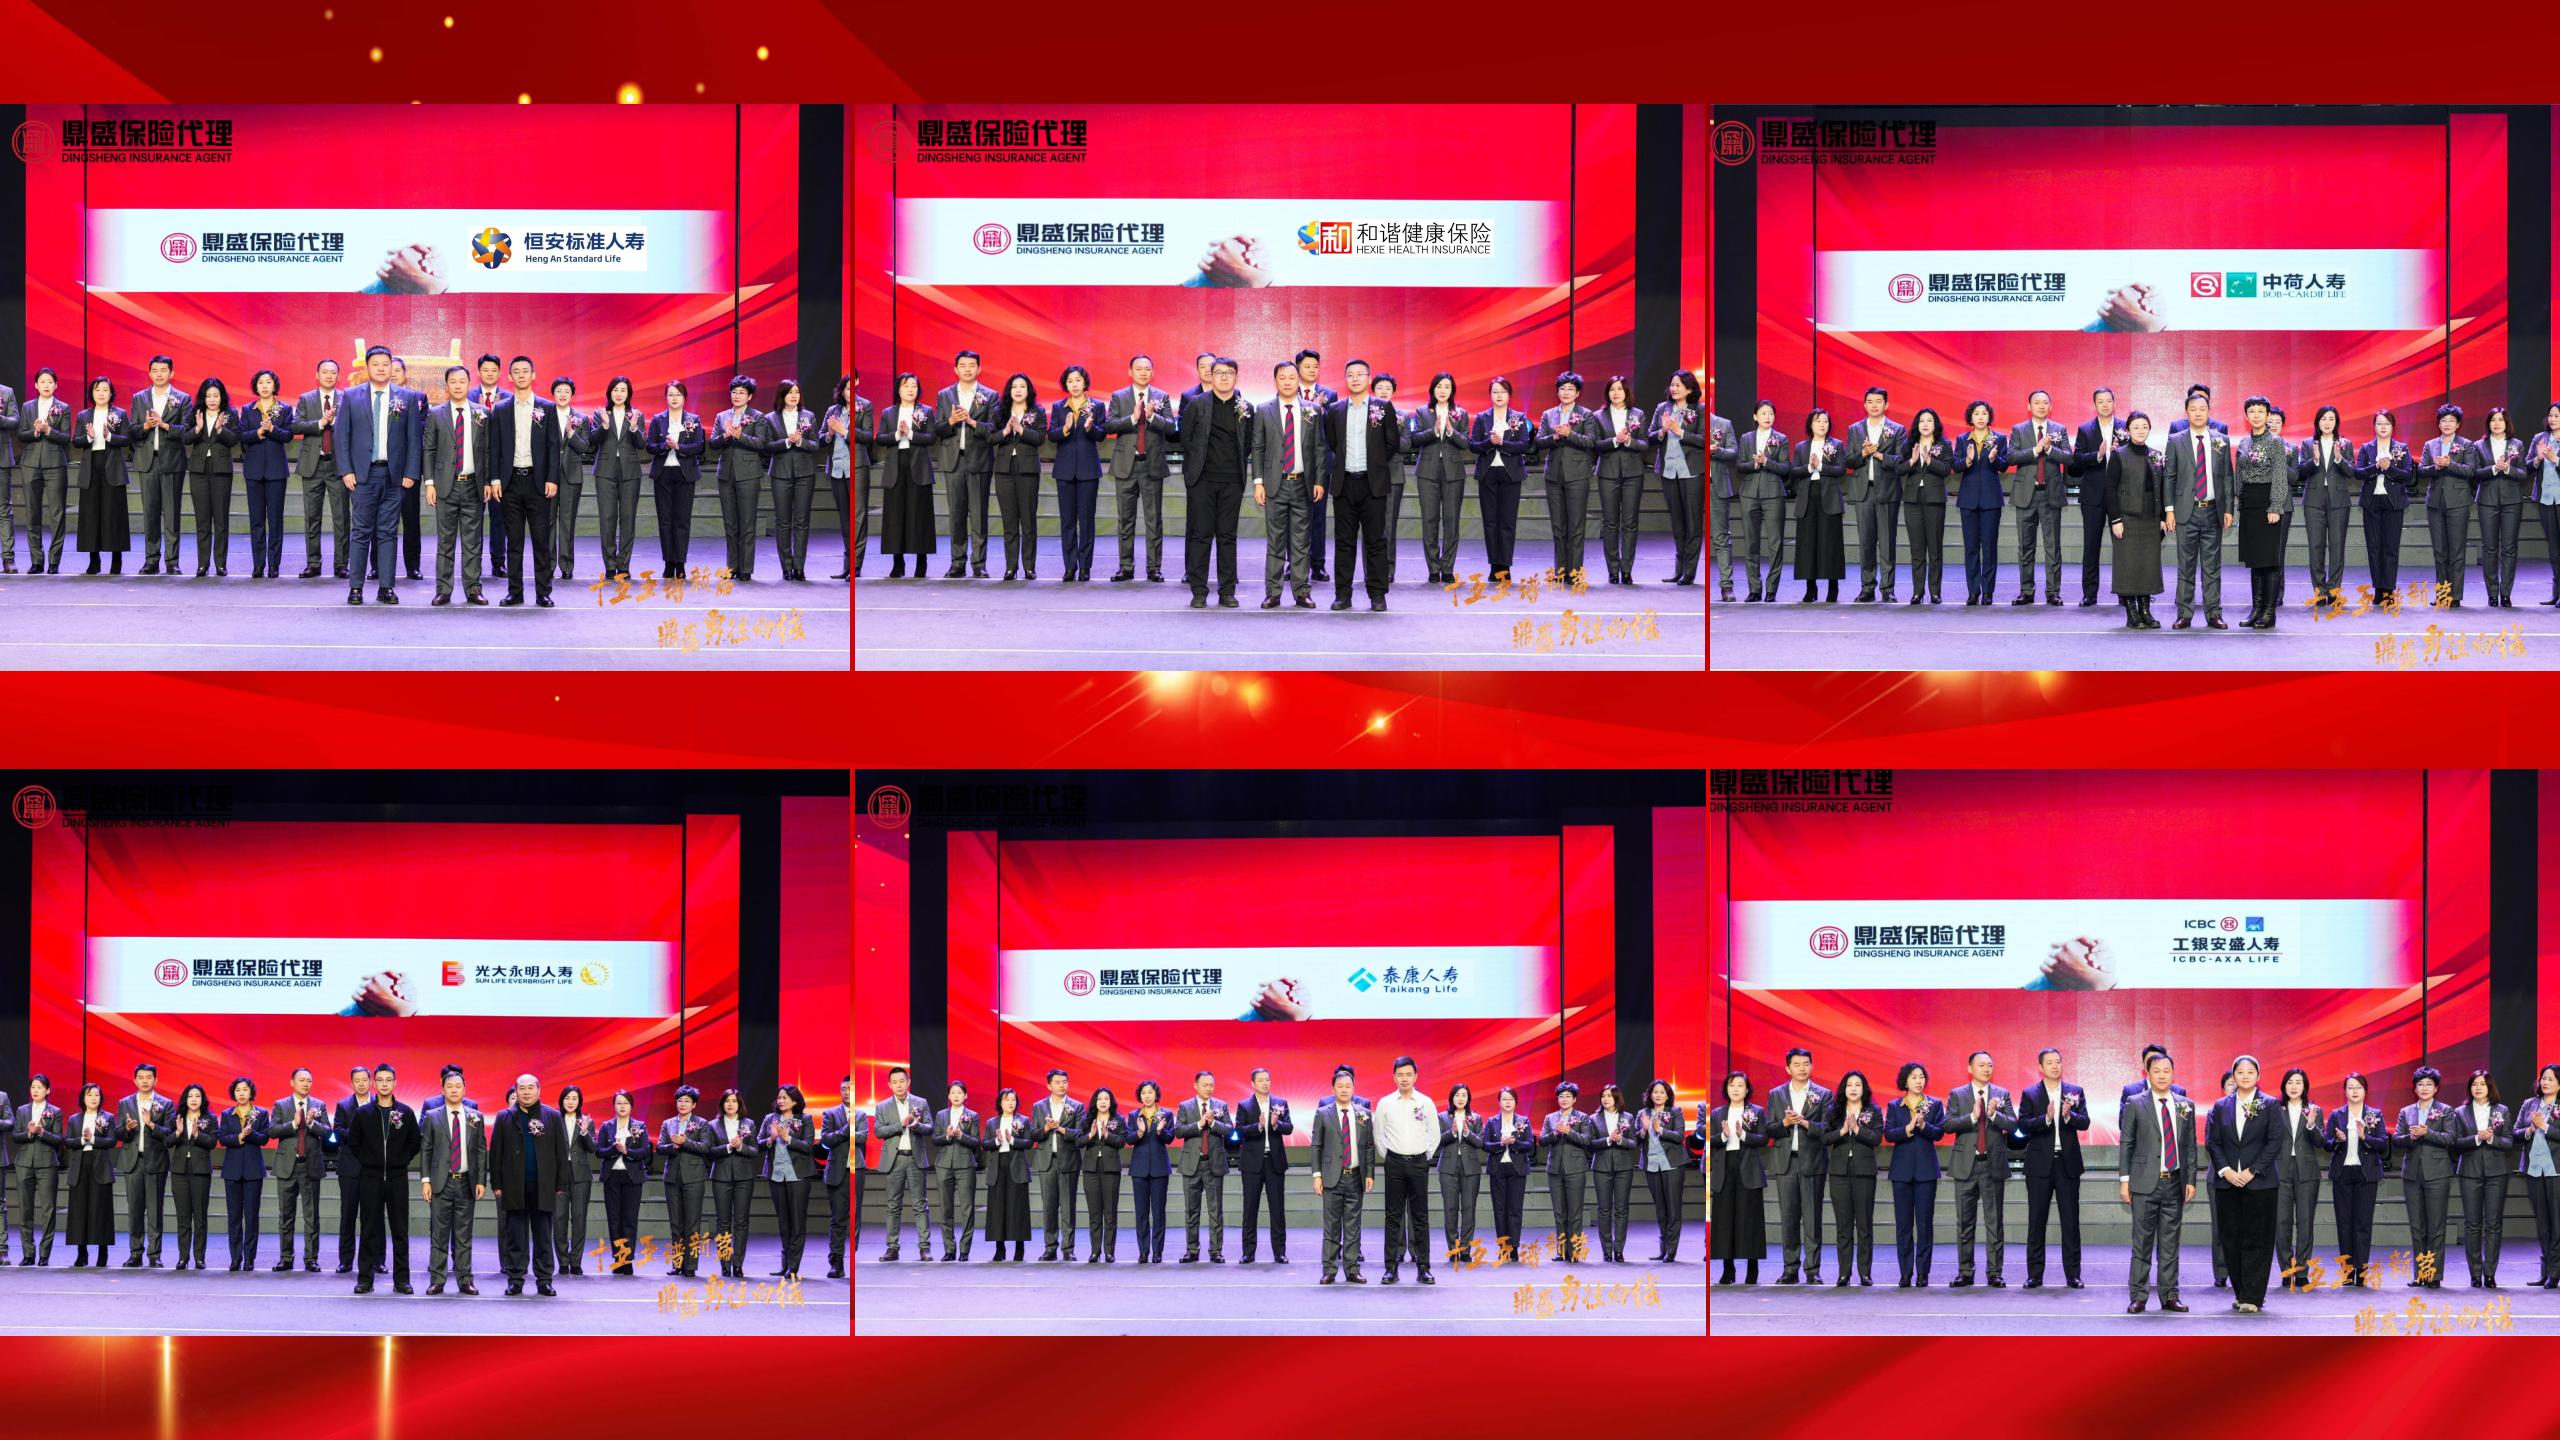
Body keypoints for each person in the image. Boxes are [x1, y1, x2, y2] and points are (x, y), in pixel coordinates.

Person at [334, 345, 423, 606]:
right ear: (367, 368)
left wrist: (411, 472)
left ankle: (386, 587)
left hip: (394, 477)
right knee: (361, 532)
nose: (382, 369)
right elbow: (342, 436)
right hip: (362, 476)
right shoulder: (351, 395)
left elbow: (414, 438)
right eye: (376, 364)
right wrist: (346, 470)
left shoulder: (406, 397)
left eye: (386, 364)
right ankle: (356, 588)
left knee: (388, 532)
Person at [2119, 1050, 2197, 1313]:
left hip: (2175, 1182)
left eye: (2166, 1071)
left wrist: (2191, 1179)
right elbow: (2127, 1142)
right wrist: (2124, 1180)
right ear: (2148, 1074)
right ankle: (2139, 1296)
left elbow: (2189, 1146)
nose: (2162, 1075)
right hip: (2143, 1184)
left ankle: (2169, 1295)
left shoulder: (2185, 1104)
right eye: (2156, 1071)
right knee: (2141, 1243)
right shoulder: (2135, 1102)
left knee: (2170, 1244)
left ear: (2173, 1074)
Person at [2205, 1054, 2280, 1313]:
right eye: (2240, 1072)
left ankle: (2253, 1296)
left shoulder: (2270, 1104)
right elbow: (2212, 1141)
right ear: (2233, 1076)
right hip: (2228, 1184)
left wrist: (2253, 1170)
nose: (2245, 1076)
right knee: (2231, 1239)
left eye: (2250, 1072)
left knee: (2257, 1240)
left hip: (2260, 1184)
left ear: (2258, 1076)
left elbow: (2274, 1142)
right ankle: (2240, 1292)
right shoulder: (2220, 1106)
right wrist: (2225, 1170)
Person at [1176, 358, 1251, 608]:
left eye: (1229, 373)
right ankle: (1198, 591)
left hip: (1232, 481)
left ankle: (1227, 591)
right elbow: (1185, 438)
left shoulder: (1245, 407)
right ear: (1211, 375)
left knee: (1228, 537)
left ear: (1236, 376)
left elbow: (1248, 443)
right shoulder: (1197, 404)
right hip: (1202, 481)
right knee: (1201, 535)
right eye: (1219, 373)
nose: (1224, 377)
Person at [2012, 1047, 2088, 1288]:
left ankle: (2073, 1274)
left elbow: (2085, 1122)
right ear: (2041, 1067)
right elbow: (2023, 1125)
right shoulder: (2030, 1094)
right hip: (2039, 1166)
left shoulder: (2075, 1091)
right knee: (2036, 1221)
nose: (2055, 1066)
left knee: (2070, 1222)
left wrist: (2068, 1116)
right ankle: (2034, 1275)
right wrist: (2045, 1119)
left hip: (2067, 1164)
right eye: (2050, 1062)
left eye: (2058, 1062)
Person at [487, 355, 560, 606]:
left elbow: (553, 446)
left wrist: (552, 478)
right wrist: (495, 478)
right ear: (509, 377)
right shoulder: (501, 409)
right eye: (516, 371)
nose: (521, 375)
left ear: (533, 375)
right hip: (510, 483)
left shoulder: (546, 407)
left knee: (541, 541)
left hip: (537, 483)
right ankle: (515, 592)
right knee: (514, 541)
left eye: (525, 371)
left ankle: (543, 592)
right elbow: (494, 447)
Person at [1327, 360, 1400, 610]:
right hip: (1344, 483)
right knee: (1344, 542)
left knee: (1376, 541)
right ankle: (1343, 595)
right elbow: (1332, 442)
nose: (1355, 378)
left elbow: (1391, 443)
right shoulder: (1335, 409)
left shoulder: (1383, 407)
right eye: (1350, 375)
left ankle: (1377, 594)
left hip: (1373, 485)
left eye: (1360, 374)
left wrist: (1376, 464)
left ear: (1369, 378)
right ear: (1345, 379)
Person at [1253, 362, 1325, 609]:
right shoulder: (1264, 410)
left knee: (1301, 542)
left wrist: (1319, 481)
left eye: (1291, 377)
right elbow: (1258, 448)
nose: (1287, 382)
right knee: (1275, 541)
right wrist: (1258, 482)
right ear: (1275, 381)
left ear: (1298, 380)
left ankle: (1302, 591)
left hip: (1303, 484)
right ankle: (1273, 592)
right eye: (1282, 377)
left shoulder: (1313, 410)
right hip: (1275, 485)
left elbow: (1319, 448)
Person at [488, 1073, 565, 1296]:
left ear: (539, 1090)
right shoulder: (504, 1117)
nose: (527, 1092)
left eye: (531, 1087)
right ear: (516, 1091)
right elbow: (496, 1153)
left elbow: (561, 1152)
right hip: (514, 1186)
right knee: (515, 1236)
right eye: (522, 1088)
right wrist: (497, 1183)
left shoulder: (552, 1116)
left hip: (543, 1185)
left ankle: (544, 1280)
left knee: (543, 1236)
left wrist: (560, 1182)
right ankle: (515, 1279)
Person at [1101, 355, 1175, 584]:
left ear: (1153, 372)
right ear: (1130, 372)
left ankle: (1154, 568)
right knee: (1125, 519)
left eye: (1147, 369)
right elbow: (1109, 425)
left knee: (1154, 520)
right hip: (1126, 466)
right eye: (1139, 369)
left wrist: (1152, 417)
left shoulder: (1162, 396)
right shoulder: (1119, 396)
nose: (1143, 372)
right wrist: (1132, 418)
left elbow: (1171, 427)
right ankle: (1126, 567)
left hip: (1151, 465)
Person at [421, 365, 490, 606]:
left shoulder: (482, 413)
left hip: (473, 486)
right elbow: (428, 450)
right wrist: (429, 483)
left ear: (469, 384)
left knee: (473, 542)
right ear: (447, 385)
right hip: (444, 486)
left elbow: (488, 450)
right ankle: (444, 589)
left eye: (462, 381)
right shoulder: (435, 413)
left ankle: (473, 589)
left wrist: (489, 481)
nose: (458, 385)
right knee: (445, 541)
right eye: (453, 381)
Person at [1941, 1050, 2011, 1288]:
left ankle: (1995, 1272)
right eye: (1981, 1065)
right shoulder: (1957, 1094)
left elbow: (2013, 1124)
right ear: (1970, 1068)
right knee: (1965, 1222)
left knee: (1995, 1222)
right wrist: (1972, 1117)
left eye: (1990, 1065)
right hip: (1965, 1167)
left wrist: (1994, 1115)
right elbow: (1947, 1124)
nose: (1987, 1069)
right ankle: (1965, 1271)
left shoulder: (2002, 1094)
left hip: (1993, 1166)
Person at [2164, 390, 2234, 628]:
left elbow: (2227, 477)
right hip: (2186, 512)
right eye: (2193, 409)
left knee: (2212, 566)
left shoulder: (2220, 439)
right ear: (2186, 412)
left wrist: (2229, 509)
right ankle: (2184, 613)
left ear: (2209, 411)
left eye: (2202, 409)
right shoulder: (2176, 440)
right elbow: (2169, 476)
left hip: (2213, 510)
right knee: (2185, 565)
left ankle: (2214, 613)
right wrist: (2169, 510)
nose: (2197, 413)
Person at [350, 1063, 420, 1294]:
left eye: (388, 1080)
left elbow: (415, 1143)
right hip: (370, 1178)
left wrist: (400, 1159)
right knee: (368, 1229)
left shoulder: (406, 1112)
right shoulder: (363, 1113)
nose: (384, 1084)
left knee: (400, 1231)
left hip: (398, 1178)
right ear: (374, 1083)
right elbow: (354, 1143)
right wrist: (370, 1160)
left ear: (395, 1083)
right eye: (379, 1080)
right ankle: (365, 1279)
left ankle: (402, 1280)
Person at [1763, 1047, 1829, 1284]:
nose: (1802, 1068)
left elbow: (1827, 1129)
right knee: (1789, 1218)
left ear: (1812, 1066)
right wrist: (1784, 1122)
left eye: (1806, 1064)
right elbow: (1769, 1129)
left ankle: (1813, 1270)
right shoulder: (1776, 1094)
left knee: (1812, 1218)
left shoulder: (1824, 1094)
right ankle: (1790, 1269)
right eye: (1797, 1064)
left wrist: (1805, 1123)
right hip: (1786, 1162)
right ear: (1788, 1068)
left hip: (1813, 1162)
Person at [419, 1069, 485, 1296]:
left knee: (464, 1235)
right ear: (443, 1089)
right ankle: (437, 1280)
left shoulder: (475, 1115)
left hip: (467, 1182)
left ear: (465, 1089)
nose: (454, 1090)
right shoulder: (432, 1115)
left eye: (458, 1086)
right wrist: (425, 1180)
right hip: (441, 1182)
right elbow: (426, 1150)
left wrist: (481, 1181)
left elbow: (480, 1150)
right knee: (439, 1234)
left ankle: (465, 1280)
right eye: (450, 1086)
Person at [1372, 1058, 1436, 1283]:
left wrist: (1424, 1156)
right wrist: (1390, 1156)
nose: (1405, 1079)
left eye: (1409, 1074)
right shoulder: (1385, 1103)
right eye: (1400, 1075)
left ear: (1416, 1076)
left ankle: (1423, 1267)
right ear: (1394, 1077)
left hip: (1419, 1163)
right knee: (1393, 1217)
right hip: (1395, 1164)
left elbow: (1434, 1134)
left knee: (1420, 1217)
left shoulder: (1426, 1102)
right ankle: (1391, 1268)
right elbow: (1378, 1134)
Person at [2102, 410, 2167, 628]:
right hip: (2126, 518)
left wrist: (2162, 517)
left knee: (2148, 565)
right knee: (2128, 565)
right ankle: (2132, 613)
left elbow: (2162, 488)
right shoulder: (2119, 455)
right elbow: (2109, 489)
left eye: (2144, 427)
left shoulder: (2156, 455)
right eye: (2136, 427)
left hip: (2151, 518)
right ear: (2128, 430)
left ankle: (2145, 611)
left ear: (2150, 430)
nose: (2140, 431)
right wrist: (2115, 520)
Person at [872, 373, 941, 578]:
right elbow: (880, 438)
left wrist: (910, 433)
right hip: (896, 466)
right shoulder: (889, 412)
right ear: (898, 389)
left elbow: (931, 437)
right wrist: (897, 434)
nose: (910, 389)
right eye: (906, 386)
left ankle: (921, 561)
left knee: (919, 515)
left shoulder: (925, 411)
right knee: (895, 516)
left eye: (914, 386)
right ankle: (898, 562)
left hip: (918, 466)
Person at [933, 351, 996, 577]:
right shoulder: (945, 395)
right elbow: (937, 429)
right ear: (955, 369)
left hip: (979, 460)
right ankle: (957, 563)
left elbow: (993, 429)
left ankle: (979, 564)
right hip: (953, 460)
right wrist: (951, 421)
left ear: (979, 369)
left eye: (972, 365)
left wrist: (971, 421)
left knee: (979, 514)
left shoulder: (990, 395)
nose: (967, 369)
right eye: (963, 365)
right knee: (956, 514)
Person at [2450, 1068, 2514, 1288]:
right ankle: (2475, 1273)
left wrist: (2493, 1139)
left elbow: (2509, 1142)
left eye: (2482, 1084)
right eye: (2474, 1084)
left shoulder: (2501, 1110)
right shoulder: (2460, 1112)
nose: (2478, 1088)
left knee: (2494, 1224)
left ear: (2490, 1087)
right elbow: (2455, 1143)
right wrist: (2477, 1138)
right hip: (2470, 1172)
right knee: (2472, 1224)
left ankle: (2490, 1273)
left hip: (2497, 1173)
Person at [979, 372, 1045, 582]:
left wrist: (1021, 430)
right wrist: (1006, 431)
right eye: (1014, 386)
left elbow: (1040, 438)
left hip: (1028, 470)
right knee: (1009, 522)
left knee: (1028, 521)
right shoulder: (999, 412)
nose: (1018, 390)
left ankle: (1029, 567)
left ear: (1028, 391)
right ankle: (1010, 567)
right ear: (1009, 390)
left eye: (1022, 386)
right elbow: (990, 438)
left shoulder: (1037, 411)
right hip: (1004, 471)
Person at [2006, 389, 2070, 605]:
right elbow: (2011, 457)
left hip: (2050, 495)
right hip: (2026, 495)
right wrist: (2035, 450)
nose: (2041, 406)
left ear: (2050, 406)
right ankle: (2026, 591)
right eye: (2037, 402)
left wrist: (2050, 450)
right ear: (2029, 406)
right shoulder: (2019, 429)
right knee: (2026, 546)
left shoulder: (2059, 429)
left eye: (2045, 403)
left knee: (2053, 547)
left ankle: (2053, 592)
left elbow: (2069, 458)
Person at [1310, 1068, 1374, 1285]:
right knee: (1331, 1226)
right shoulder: (1323, 1113)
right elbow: (1316, 1146)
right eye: (1340, 1086)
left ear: (1353, 1088)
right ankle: (1329, 1269)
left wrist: (1370, 1173)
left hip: (1356, 1176)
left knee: (1353, 1226)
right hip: (1331, 1177)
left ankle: (1352, 1269)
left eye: (1348, 1086)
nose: (1344, 1090)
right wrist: (1317, 1176)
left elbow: (1369, 1146)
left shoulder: (1363, 1113)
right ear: (1333, 1089)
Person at [2232, 396, 2292, 629]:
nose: (2256, 415)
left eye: (2260, 411)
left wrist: (2275, 506)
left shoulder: (2276, 442)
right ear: (2246, 416)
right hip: (2249, 503)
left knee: (2269, 561)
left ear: (2268, 416)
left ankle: (2269, 612)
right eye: (2252, 411)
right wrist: (2238, 498)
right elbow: (2239, 473)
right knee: (2255, 560)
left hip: (2267, 502)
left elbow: (2280, 476)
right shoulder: (2244, 442)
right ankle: (2256, 610)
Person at [2323, 1071, 2386, 1287]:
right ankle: (2347, 1272)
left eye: (2358, 1087)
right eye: (2350, 1087)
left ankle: (2362, 1270)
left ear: (2365, 1090)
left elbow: (2383, 1143)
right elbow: (2327, 1144)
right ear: (2345, 1091)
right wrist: (2337, 1140)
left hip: (2366, 1173)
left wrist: (2364, 1137)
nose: (2355, 1091)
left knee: (2363, 1223)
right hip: (2342, 1173)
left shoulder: (2375, 1114)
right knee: (2344, 1223)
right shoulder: (2336, 1114)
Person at [1411, 372, 1473, 586]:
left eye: (1447, 386)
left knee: (1451, 520)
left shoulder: (1460, 413)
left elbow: (1465, 443)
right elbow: (1415, 439)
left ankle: (1447, 568)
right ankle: (1433, 568)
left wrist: (1450, 431)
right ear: (1432, 389)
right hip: (1427, 471)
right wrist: (1434, 430)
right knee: (1429, 521)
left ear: (1452, 390)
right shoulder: (1422, 411)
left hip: (1453, 472)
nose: (1443, 390)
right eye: (1439, 386)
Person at [288, 358, 348, 578]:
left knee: (341, 517)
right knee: (312, 517)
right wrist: (321, 423)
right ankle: (313, 563)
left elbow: (354, 426)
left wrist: (335, 422)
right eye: (325, 372)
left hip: (338, 465)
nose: (329, 375)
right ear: (317, 375)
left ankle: (341, 564)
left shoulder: (346, 398)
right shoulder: (306, 398)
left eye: (333, 372)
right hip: (312, 465)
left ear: (338, 376)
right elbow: (296, 426)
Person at [2297, 405, 2360, 610]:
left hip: (2338, 500)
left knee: (2337, 547)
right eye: (2323, 418)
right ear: (2317, 422)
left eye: (2331, 419)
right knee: (2316, 547)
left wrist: (2339, 458)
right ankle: (2319, 591)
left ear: (2336, 422)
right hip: (2314, 500)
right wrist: (2314, 460)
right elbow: (2301, 472)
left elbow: (2351, 472)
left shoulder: (2345, 443)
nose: (2327, 422)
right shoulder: (2308, 443)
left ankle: (2333, 591)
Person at [1534, 370, 1595, 582]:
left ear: (1577, 393)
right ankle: (1560, 572)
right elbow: (1538, 442)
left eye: (1570, 389)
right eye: (1562, 388)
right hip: (1553, 475)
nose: (1566, 392)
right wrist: (1555, 436)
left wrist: (1570, 434)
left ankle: (1575, 573)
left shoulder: (1586, 414)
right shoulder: (1548, 414)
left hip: (1578, 475)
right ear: (1557, 392)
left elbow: (1590, 442)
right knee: (1558, 526)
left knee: (1576, 526)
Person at [130, 354, 189, 575]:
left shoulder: (182, 398)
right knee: (150, 513)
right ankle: (151, 560)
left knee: (172, 513)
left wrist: (164, 425)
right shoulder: (139, 398)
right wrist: (146, 425)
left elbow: (186, 431)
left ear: (172, 373)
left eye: (163, 370)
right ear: (149, 373)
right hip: (148, 461)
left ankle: (172, 561)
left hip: (172, 461)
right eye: (155, 370)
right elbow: (132, 431)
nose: (159, 374)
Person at [2066, 387, 2125, 606]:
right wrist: (2098, 455)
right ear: (2095, 405)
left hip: (2120, 494)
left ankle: (2125, 592)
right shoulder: (2085, 429)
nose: (2105, 404)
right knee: (2091, 546)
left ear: (2114, 403)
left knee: (2122, 546)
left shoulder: (2125, 427)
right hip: (2093, 495)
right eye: (2100, 401)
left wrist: (2121, 452)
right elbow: (2077, 460)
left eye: (2108, 400)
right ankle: (2089, 593)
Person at [1819, 1070, 1878, 1285]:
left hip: (1864, 1173)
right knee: (1843, 1226)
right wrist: (1843, 1131)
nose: (1853, 1088)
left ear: (1864, 1089)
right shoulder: (1833, 1111)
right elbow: (1824, 1138)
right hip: (1839, 1173)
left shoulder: (1873, 1110)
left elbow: (1876, 1138)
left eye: (1857, 1084)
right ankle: (1844, 1273)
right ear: (1844, 1089)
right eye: (1849, 1085)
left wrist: (1857, 1129)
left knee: (1864, 1225)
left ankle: (1865, 1273)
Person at [2399, 1064, 2455, 1290]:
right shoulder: (2406, 1111)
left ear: (2436, 1088)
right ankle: (2420, 1274)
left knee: (2436, 1227)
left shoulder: (2446, 1110)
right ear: (2415, 1088)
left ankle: (2434, 1275)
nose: (2424, 1088)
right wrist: (2411, 1137)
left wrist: (2427, 1133)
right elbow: (2398, 1140)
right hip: (2412, 1174)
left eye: (2428, 1084)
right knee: (2417, 1227)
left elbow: (2450, 1138)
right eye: (2420, 1084)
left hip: (2438, 1174)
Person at [1470, 377, 1531, 582]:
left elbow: (1524, 444)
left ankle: (1504, 567)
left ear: (1509, 395)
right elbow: (1473, 445)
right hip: (1487, 473)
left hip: (1510, 474)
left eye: (1503, 391)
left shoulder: (1518, 417)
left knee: (1507, 521)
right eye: (1495, 391)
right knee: (1490, 521)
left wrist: (1502, 443)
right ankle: (1494, 565)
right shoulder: (1482, 417)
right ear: (1490, 394)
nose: (1499, 395)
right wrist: (1490, 442)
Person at [177, 375, 238, 576]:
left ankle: (221, 564)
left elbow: (234, 440)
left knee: (221, 520)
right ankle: (202, 564)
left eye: (216, 395)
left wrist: (220, 430)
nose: (212, 399)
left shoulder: (230, 413)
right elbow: (185, 438)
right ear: (203, 397)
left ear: (222, 397)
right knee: (202, 521)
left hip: (221, 470)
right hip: (199, 471)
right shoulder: (196, 413)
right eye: (208, 395)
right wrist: (198, 428)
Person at [2269, 1067, 2324, 1291]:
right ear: (2284, 1086)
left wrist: (2311, 1124)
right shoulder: (2274, 1109)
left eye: (2298, 1082)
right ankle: (2286, 1269)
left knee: (2305, 1222)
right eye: (2290, 1082)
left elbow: (2320, 1141)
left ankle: (2301, 1271)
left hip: (2307, 1172)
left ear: (2305, 1086)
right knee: (2281, 1223)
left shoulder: (2314, 1110)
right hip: (2280, 1170)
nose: (2294, 1086)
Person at [1713, 1070, 1770, 1286]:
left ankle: (1752, 1268)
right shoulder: (1717, 1113)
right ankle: (1728, 1268)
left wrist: (1743, 1134)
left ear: (1747, 1090)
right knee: (1725, 1220)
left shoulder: (1756, 1111)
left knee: (1749, 1220)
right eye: (1731, 1085)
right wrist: (1724, 1135)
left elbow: (1763, 1138)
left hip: (1748, 1168)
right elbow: (1710, 1139)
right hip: (1724, 1168)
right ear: (1726, 1089)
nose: (1735, 1089)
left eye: (1740, 1085)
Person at [115, 1063, 174, 1267]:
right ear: (135, 1080)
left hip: (156, 1162)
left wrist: (151, 1124)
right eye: (140, 1077)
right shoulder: (125, 1103)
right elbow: (118, 1133)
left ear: (155, 1080)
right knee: (135, 1210)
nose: (145, 1081)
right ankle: (135, 1253)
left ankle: (154, 1255)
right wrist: (127, 1129)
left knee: (155, 1211)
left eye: (149, 1077)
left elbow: (169, 1135)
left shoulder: (165, 1104)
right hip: (133, 1161)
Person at [1046, 366, 1102, 582]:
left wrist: (1090, 428)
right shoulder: (1059, 407)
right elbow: (1052, 435)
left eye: (1078, 380)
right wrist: (1065, 428)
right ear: (1065, 385)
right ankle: (1070, 567)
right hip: (1065, 470)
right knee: (1067, 521)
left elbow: (1101, 434)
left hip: (1088, 471)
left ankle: (1085, 567)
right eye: (1070, 381)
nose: (1074, 384)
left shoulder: (1097, 406)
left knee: (1086, 521)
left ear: (1085, 382)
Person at [591, 376, 650, 583]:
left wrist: (634, 427)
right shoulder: (600, 414)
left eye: (623, 390)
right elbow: (593, 440)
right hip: (605, 471)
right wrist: (604, 425)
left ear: (628, 393)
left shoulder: (636, 414)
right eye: (615, 389)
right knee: (607, 519)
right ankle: (610, 565)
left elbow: (641, 444)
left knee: (627, 519)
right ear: (609, 392)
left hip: (630, 472)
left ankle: (623, 565)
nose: (619, 393)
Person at [235, 370, 293, 578]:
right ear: (256, 387)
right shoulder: (247, 409)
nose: (265, 386)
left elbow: (288, 435)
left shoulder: (284, 409)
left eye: (268, 382)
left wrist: (272, 429)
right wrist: (258, 433)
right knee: (256, 520)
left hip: (276, 471)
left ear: (274, 386)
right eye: (261, 382)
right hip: (254, 471)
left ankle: (274, 564)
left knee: (275, 520)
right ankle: (258, 564)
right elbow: (242, 435)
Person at [2419, 404, 2478, 607]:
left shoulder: (2466, 444)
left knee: (2457, 551)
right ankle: (2442, 595)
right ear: (2438, 423)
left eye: (2451, 420)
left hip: (2458, 502)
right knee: (2440, 551)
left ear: (2458, 424)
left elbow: (2471, 470)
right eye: (2443, 420)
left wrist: (2449, 464)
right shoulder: (2430, 444)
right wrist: (2435, 467)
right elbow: (2421, 470)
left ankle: (2455, 596)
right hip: (2435, 503)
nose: (2447, 424)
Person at [73, 378, 133, 575]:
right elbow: (76, 441)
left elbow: (127, 439)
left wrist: (109, 437)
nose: (101, 393)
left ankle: (116, 559)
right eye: (97, 390)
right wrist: (89, 437)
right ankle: (94, 560)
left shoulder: (120, 414)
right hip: (91, 466)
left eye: (105, 390)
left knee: (114, 514)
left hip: (112, 466)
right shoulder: (83, 415)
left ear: (111, 393)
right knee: (91, 515)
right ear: (92, 393)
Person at [1655, 370, 1710, 587]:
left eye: (1678, 385)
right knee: (1677, 524)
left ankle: (1689, 572)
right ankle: (1678, 570)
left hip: (1691, 472)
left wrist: (1681, 432)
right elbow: (1649, 436)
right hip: (1669, 471)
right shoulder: (1663, 408)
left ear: (1689, 388)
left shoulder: (1700, 409)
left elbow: (1705, 439)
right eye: (1672, 384)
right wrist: (1662, 431)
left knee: (1692, 523)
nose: (1674, 388)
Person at [1951, 400, 2009, 604]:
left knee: (1990, 548)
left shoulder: (1999, 438)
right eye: (1976, 413)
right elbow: (1956, 466)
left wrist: (1994, 459)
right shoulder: (1962, 439)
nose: (1981, 417)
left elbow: (2004, 466)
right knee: (1971, 548)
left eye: (1984, 413)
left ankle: (1988, 592)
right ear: (1971, 417)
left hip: (1991, 500)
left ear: (1989, 416)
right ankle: (1973, 591)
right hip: (1968, 500)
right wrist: (1967, 460)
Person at [1787, 409, 1846, 603]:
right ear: (1810, 424)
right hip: (1808, 497)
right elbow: (1794, 470)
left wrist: (1820, 466)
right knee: (1807, 544)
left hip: (1829, 497)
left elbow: (1840, 469)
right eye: (1818, 421)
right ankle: (1810, 588)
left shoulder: (1836, 445)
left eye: (1825, 421)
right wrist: (1809, 467)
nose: (1822, 424)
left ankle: (1833, 587)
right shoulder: (1802, 447)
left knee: (1831, 543)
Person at [646, 381, 705, 578]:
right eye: (671, 394)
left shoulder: (693, 419)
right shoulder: (658, 419)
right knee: (665, 520)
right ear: (666, 397)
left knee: (682, 520)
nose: (674, 398)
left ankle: (680, 563)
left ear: (684, 398)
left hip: (685, 473)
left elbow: (699, 446)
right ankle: (668, 562)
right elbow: (650, 446)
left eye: (678, 394)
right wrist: (665, 446)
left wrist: (679, 447)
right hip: (663, 473)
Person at [1173, 1070, 1232, 1263]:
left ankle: (1216, 1250)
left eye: (1211, 1085)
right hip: (1192, 1164)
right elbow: (1178, 1131)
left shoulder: (1221, 1106)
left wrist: (1213, 1123)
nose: (1208, 1088)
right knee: (1191, 1210)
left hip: (1213, 1163)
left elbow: (1229, 1129)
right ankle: (1192, 1250)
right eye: (1205, 1085)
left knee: (1216, 1210)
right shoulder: (1185, 1106)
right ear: (1195, 1085)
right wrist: (1199, 1124)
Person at [15, 369, 70, 574]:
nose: (46, 385)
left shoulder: (63, 407)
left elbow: (66, 438)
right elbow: (21, 434)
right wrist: (35, 431)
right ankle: (36, 560)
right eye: (42, 381)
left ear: (56, 385)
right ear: (36, 385)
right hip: (30, 465)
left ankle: (54, 561)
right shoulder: (27, 406)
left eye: (50, 382)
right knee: (33, 513)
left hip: (55, 465)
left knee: (57, 514)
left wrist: (49, 431)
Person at [215, 1077, 272, 1271]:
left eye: (245, 1089)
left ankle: (249, 1258)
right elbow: (222, 1138)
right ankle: (235, 1257)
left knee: (251, 1216)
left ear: (251, 1092)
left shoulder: (261, 1113)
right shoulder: (227, 1114)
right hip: (232, 1171)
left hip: (253, 1171)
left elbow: (264, 1138)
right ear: (234, 1093)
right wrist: (239, 1137)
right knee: (234, 1217)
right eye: (238, 1090)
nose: (241, 1093)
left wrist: (250, 1134)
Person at [2357, 410, 2415, 600]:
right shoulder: (2366, 448)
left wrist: (2389, 468)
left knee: (2390, 547)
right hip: (2371, 501)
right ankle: (2378, 589)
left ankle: (2388, 590)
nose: (2383, 427)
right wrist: (2376, 467)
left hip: (2394, 502)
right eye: (2379, 423)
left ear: (2392, 427)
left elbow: (2408, 475)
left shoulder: (2402, 447)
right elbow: (2358, 473)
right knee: (2374, 547)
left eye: (2387, 423)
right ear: (2374, 426)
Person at [1236, 1067, 1291, 1264]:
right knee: (1250, 1209)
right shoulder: (1244, 1105)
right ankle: (1248, 1252)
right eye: (1260, 1080)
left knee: (1277, 1209)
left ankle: (1280, 1252)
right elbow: (1238, 1131)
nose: (1265, 1083)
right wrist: (1258, 1126)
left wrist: (1276, 1125)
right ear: (1253, 1083)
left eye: (1267, 1079)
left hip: (1274, 1162)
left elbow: (1289, 1128)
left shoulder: (1280, 1103)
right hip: (1252, 1164)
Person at [760, 1085, 815, 1281]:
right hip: (776, 1176)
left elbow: (808, 1146)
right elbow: (758, 1143)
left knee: (797, 1222)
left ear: (795, 1100)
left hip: (797, 1176)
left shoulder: (805, 1119)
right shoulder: (770, 1119)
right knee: (784, 1223)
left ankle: (793, 1267)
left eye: (785, 1098)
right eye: (779, 1098)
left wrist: (787, 1138)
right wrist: (772, 1138)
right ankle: (785, 1265)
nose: (781, 1101)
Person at [1895, 408, 1950, 604]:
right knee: (1917, 549)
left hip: (1934, 500)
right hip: (1912, 500)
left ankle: (1935, 592)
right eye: (1922, 421)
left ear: (1935, 425)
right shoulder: (1908, 445)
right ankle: (1917, 592)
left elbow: (1946, 469)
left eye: (1929, 420)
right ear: (1917, 425)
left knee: (1934, 549)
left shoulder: (1944, 444)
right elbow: (1898, 469)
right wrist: (1912, 460)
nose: (1925, 424)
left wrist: (1929, 460)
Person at [547, 377, 596, 583]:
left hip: (571, 476)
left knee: (567, 522)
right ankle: (548, 565)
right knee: (548, 522)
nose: (562, 394)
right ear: (553, 393)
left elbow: (586, 446)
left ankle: (566, 565)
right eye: (559, 390)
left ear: (572, 395)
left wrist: (571, 433)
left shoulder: (581, 418)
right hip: (548, 476)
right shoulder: (544, 414)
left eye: (566, 391)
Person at [2475, 406, 2526, 608]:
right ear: (2488, 423)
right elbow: (2475, 473)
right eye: (2493, 420)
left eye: (2500, 420)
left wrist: (2509, 469)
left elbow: (2523, 473)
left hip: (2512, 501)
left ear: (2507, 423)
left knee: (2509, 548)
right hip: (2487, 501)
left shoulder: (2517, 444)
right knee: (2489, 548)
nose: (2496, 423)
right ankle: (2492, 594)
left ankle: (2506, 593)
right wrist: (2495, 468)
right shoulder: (2479, 445)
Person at [922, 1080, 977, 1264]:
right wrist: (946, 1136)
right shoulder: (941, 1115)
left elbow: (976, 1142)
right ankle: (949, 1250)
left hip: (965, 1165)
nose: (956, 1096)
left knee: (967, 1209)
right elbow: (935, 1139)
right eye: (953, 1092)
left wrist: (961, 1135)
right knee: (946, 1209)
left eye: (959, 1093)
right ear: (948, 1096)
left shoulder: (972, 1115)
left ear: (965, 1095)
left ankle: (964, 1250)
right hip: (944, 1165)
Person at [661, 1084, 714, 1274]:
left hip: (694, 1178)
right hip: (672, 1177)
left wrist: (686, 1142)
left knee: (692, 1224)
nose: (682, 1104)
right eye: (680, 1100)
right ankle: (677, 1264)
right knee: (676, 1224)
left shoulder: (702, 1123)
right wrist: (671, 1147)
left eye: (687, 1101)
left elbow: (706, 1147)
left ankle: (690, 1266)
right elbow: (660, 1147)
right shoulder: (668, 1123)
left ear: (694, 1105)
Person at [1541, 1080, 1596, 1262]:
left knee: (1575, 1212)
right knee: (1559, 1213)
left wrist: (1569, 1132)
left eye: (1568, 1096)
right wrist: (1555, 1134)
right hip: (1555, 1169)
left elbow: (1587, 1140)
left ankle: (1576, 1251)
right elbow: (1542, 1141)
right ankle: (1562, 1251)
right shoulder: (1550, 1118)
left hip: (1576, 1169)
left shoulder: (1583, 1117)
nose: (1564, 1099)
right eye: (1561, 1096)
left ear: (1574, 1099)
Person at [598, 1090, 651, 1277]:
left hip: (632, 1177)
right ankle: (618, 1259)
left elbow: (645, 1151)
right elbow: (599, 1151)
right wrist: (614, 1149)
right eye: (619, 1103)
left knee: (629, 1220)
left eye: (625, 1103)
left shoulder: (639, 1125)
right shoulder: (606, 1126)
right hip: (612, 1176)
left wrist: (627, 1151)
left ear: (631, 1106)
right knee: (614, 1220)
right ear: (614, 1105)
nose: (622, 1106)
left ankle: (627, 1260)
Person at [2516, 1064, 2560, 1287]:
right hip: (2534, 1170)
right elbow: (2515, 1133)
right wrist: (2530, 1130)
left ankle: (2555, 1272)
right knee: (2542, 1224)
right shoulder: (2529, 1104)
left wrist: (2545, 1127)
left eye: (2551, 1079)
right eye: (2543, 1078)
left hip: (2555, 1171)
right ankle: (2546, 1271)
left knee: (2556, 1223)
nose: (2545, 1082)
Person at [166, 1083, 216, 1271]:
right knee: (183, 1217)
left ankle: (199, 1258)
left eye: (197, 1096)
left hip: (200, 1171)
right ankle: (183, 1257)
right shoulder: (176, 1118)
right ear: (185, 1099)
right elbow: (166, 1141)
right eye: (190, 1096)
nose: (194, 1099)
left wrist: (197, 1134)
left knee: (200, 1216)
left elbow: (212, 1142)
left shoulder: (209, 1118)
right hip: (179, 1171)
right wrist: (178, 1133)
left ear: (202, 1099)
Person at [65, 1083, 116, 1268]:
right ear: (83, 1098)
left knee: (101, 1210)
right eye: (89, 1095)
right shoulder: (74, 1119)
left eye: (96, 1095)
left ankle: (103, 1252)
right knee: (80, 1211)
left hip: (100, 1166)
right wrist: (82, 1140)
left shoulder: (107, 1117)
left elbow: (112, 1140)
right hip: (80, 1166)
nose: (94, 1098)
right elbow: (67, 1141)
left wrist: (92, 1139)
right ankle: (82, 1253)